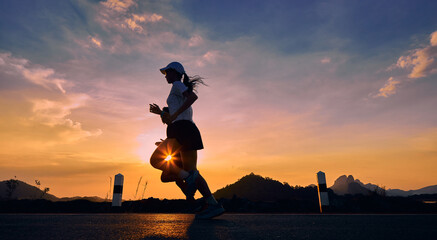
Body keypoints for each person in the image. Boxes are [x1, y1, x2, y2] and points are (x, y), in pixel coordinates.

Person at [149, 62, 225, 219]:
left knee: (156, 160)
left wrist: (175, 115)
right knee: (192, 172)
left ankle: (187, 182)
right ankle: (213, 204)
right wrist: (162, 113)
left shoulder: (177, 84)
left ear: (175, 72)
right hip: (189, 130)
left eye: (167, 72)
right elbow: (172, 118)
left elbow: (193, 97)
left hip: (181, 130)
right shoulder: (176, 90)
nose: (165, 75)